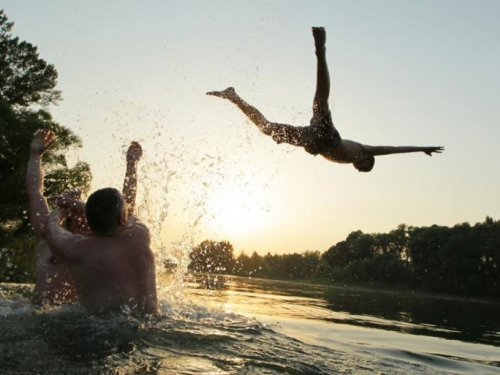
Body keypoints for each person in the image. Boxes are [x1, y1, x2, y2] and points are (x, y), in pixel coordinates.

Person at [207, 27, 444, 172]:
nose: (361, 169)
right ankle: (320, 50)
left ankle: (233, 96)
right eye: (366, 167)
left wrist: (312, 148)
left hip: (310, 138)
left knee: (267, 128)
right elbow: (394, 149)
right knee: (320, 99)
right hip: (326, 135)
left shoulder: (349, 161)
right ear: (367, 159)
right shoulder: (364, 150)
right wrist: (422, 148)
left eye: (362, 169)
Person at [44, 142, 159, 316]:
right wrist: (132, 165)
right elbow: (129, 210)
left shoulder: (78, 248)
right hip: (151, 326)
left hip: (100, 330)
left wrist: (63, 207)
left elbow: (51, 227)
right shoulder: (140, 235)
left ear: (88, 221)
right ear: (122, 219)